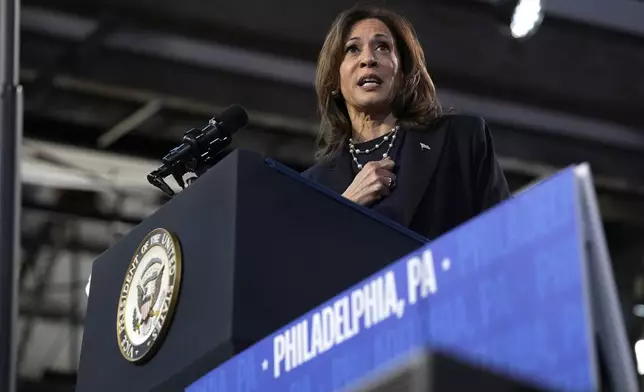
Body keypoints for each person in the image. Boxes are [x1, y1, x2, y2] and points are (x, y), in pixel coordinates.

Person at [302, 5, 510, 240]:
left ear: (402, 73)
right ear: (334, 80)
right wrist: (346, 205)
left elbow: (505, 235)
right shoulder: (313, 186)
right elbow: (306, 264)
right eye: (352, 49)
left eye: (382, 47)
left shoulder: (461, 139)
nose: (368, 59)